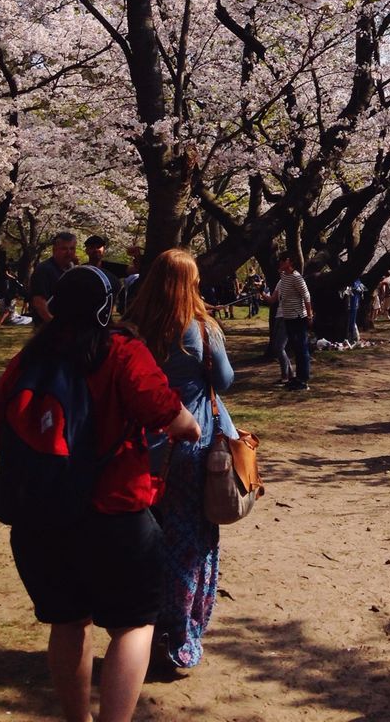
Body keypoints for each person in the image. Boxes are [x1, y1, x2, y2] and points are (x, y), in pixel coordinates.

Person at [0, 265, 200, 722]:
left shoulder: (31, 357)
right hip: (114, 514)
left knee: (67, 623)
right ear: (107, 308)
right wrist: (188, 425)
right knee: (133, 625)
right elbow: (168, 414)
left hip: (40, 520)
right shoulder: (121, 352)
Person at [125, 248, 237, 670]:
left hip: (140, 449)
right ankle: (179, 634)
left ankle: (140, 629)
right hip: (190, 447)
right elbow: (224, 380)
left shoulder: (132, 331)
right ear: (190, 283)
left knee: (145, 539)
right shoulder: (201, 330)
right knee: (190, 542)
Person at [270, 253, 314, 390]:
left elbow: (306, 296)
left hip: (298, 317)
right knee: (295, 349)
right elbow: (274, 299)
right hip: (288, 318)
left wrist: (309, 315)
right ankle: (297, 378)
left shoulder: (296, 277)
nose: (279, 263)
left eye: (282, 261)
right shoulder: (284, 277)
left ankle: (303, 380)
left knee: (301, 349)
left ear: (288, 262)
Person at [28, 231, 78, 324]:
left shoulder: (73, 270)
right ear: (54, 250)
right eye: (64, 249)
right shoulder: (44, 269)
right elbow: (39, 302)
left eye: (72, 248)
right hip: (47, 326)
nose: (69, 252)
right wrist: (53, 324)